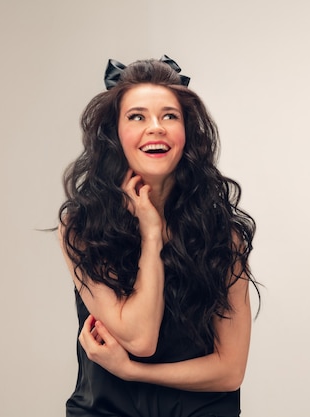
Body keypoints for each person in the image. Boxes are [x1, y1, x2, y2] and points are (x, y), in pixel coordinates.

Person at [57, 55, 259, 417]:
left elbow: (230, 371)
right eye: (137, 116)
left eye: (170, 116)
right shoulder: (82, 228)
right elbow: (140, 337)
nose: (156, 127)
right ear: (115, 134)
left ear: (187, 134)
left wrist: (132, 371)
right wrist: (151, 237)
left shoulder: (223, 236)